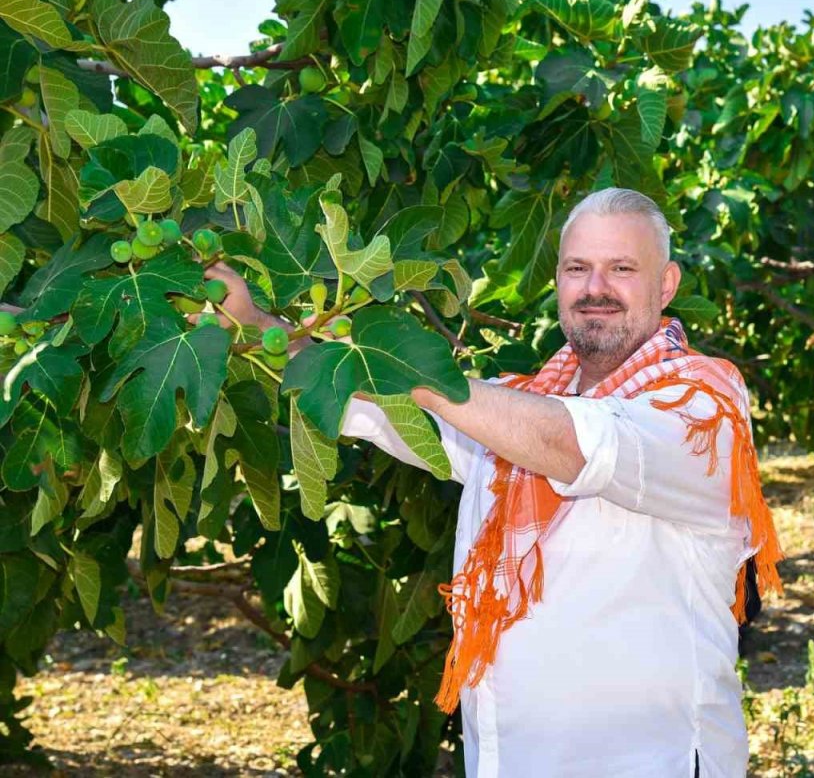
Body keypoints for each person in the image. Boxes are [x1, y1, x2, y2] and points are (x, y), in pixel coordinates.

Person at [205, 187, 784, 778]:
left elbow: (571, 441)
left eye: (622, 269)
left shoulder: (702, 408)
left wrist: (409, 370)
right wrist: (252, 322)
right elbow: (375, 399)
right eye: (577, 268)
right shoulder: (517, 406)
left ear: (666, 285)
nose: (595, 288)